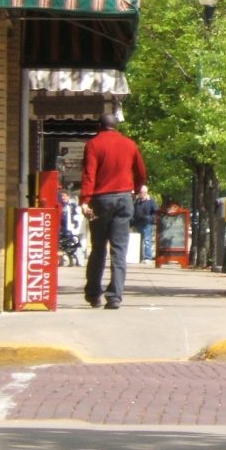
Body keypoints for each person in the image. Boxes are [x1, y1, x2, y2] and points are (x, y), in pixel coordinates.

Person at [80, 112, 148, 310]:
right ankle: (115, 296)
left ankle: (94, 294)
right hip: (124, 199)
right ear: (116, 126)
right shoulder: (130, 144)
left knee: (98, 248)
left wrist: (85, 200)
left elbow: (89, 174)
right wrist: (138, 188)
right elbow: (141, 171)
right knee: (119, 250)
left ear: (99, 126)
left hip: (100, 200)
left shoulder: (93, 144)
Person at [58, 190, 84, 267]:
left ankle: (78, 261)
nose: (63, 197)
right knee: (62, 245)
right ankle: (62, 261)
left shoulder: (72, 205)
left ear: (68, 196)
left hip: (71, 228)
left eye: (64, 196)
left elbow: (78, 216)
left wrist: (76, 226)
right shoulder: (60, 205)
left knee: (74, 244)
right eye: (61, 196)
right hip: (62, 228)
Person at [134, 185, 158, 263]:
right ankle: (138, 257)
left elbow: (155, 212)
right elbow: (134, 211)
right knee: (138, 241)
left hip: (147, 223)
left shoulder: (151, 201)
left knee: (147, 240)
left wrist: (150, 218)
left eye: (140, 192)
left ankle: (148, 257)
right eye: (139, 192)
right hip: (137, 223)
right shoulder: (137, 201)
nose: (139, 194)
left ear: (145, 193)